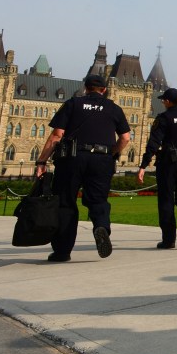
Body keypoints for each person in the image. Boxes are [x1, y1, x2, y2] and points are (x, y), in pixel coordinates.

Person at [35, 74, 131, 262]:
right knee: (98, 200)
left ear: (85, 88)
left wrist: (41, 162)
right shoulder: (114, 108)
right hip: (102, 159)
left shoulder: (73, 103)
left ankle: (62, 251)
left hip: (72, 158)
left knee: (65, 203)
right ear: (104, 90)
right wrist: (112, 153)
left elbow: (57, 135)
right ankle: (101, 227)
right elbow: (125, 138)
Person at [138, 88, 177, 249]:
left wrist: (144, 165)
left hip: (169, 163)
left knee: (166, 200)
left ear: (168, 102)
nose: (162, 102)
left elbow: (154, 143)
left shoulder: (163, 118)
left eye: (163, 100)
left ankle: (169, 240)